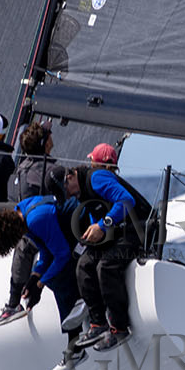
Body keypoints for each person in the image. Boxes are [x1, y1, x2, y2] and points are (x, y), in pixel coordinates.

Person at [0, 195, 90, 370]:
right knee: (50, 276)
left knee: (58, 278)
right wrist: (34, 277)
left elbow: (62, 255)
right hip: (70, 232)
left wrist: (40, 285)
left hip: (85, 225)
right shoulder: (22, 215)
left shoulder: (36, 219)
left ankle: (75, 345)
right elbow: (47, 253)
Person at [66, 150, 154, 352]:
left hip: (136, 231)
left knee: (106, 267)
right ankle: (98, 324)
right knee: (84, 264)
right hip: (117, 232)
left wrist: (102, 226)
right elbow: (96, 211)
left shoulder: (97, 177)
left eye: (65, 186)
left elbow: (126, 201)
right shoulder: (84, 186)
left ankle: (120, 328)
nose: (67, 193)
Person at [0, 120, 65, 325]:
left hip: (40, 223)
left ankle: (13, 302)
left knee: (25, 245)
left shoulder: (22, 167)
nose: (52, 137)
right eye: (49, 134)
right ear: (44, 142)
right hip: (45, 224)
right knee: (26, 245)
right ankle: (15, 302)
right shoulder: (53, 169)